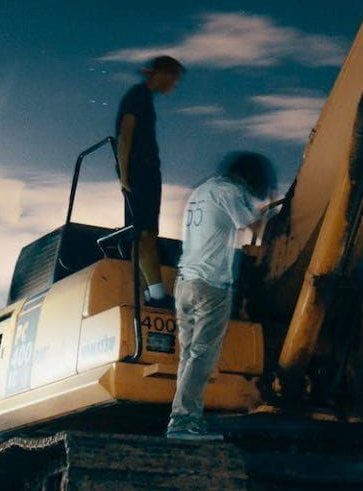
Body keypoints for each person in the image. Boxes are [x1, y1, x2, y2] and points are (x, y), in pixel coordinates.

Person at [166, 151, 276, 442]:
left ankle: (182, 417)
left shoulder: (203, 191)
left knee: (189, 356)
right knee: (203, 355)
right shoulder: (231, 191)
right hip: (211, 286)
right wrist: (274, 213)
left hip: (185, 283)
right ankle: (184, 420)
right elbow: (257, 226)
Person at [115, 55, 183, 307]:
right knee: (147, 233)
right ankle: (156, 293)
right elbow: (125, 134)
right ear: (162, 74)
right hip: (142, 173)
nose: (174, 85)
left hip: (139, 173)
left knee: (139, 233)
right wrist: (125, 176)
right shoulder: (139, 97)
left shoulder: (141, 98)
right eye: (173, 78)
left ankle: (146, 292)